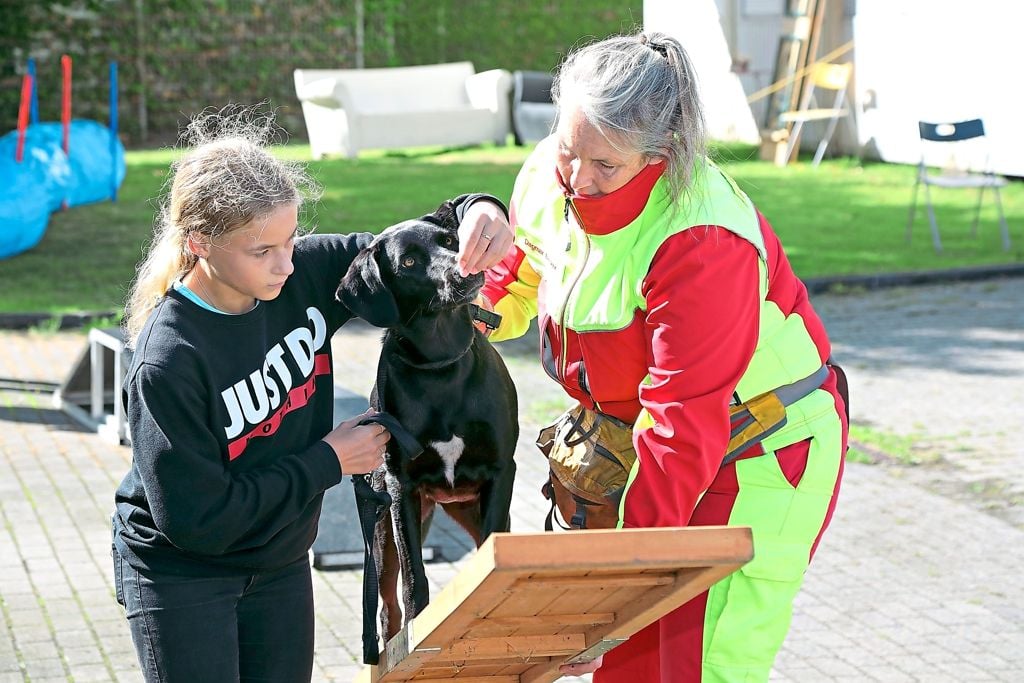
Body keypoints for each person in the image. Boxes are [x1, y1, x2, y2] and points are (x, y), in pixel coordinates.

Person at [457, 32, 849, 682]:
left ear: (661, 152)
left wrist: (616, 596)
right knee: (627, 666)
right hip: (654, 452)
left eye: (604, 165)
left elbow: (679, 430)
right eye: (567, 149)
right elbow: (517, 280)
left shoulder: (702, 239)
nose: (577, 178)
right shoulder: (551, 174)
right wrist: (449, 316)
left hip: (759, 456)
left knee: (699, 668)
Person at [112, 109, 508, 682]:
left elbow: (414, 241)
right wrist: (329, 460)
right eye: (262, 251)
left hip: (278, 561)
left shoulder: (302, 272)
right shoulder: (170, 360)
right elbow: (198, 520)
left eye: (291, 239)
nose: (286, 264)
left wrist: (481, 209)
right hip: (184, 575)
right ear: (199, 243)